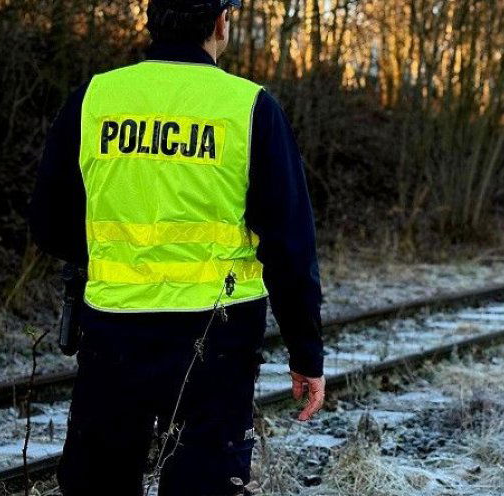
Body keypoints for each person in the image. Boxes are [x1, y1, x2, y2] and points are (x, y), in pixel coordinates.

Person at [29, 0, 325, 493]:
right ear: (220, 23)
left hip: (113, 329)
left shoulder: (94, 98)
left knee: (98, 480)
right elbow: (290, 247)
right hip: (217, 336)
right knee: (204, 481)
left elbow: (48, 223)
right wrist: (306, 353)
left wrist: (115, 259)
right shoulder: (250, 107)